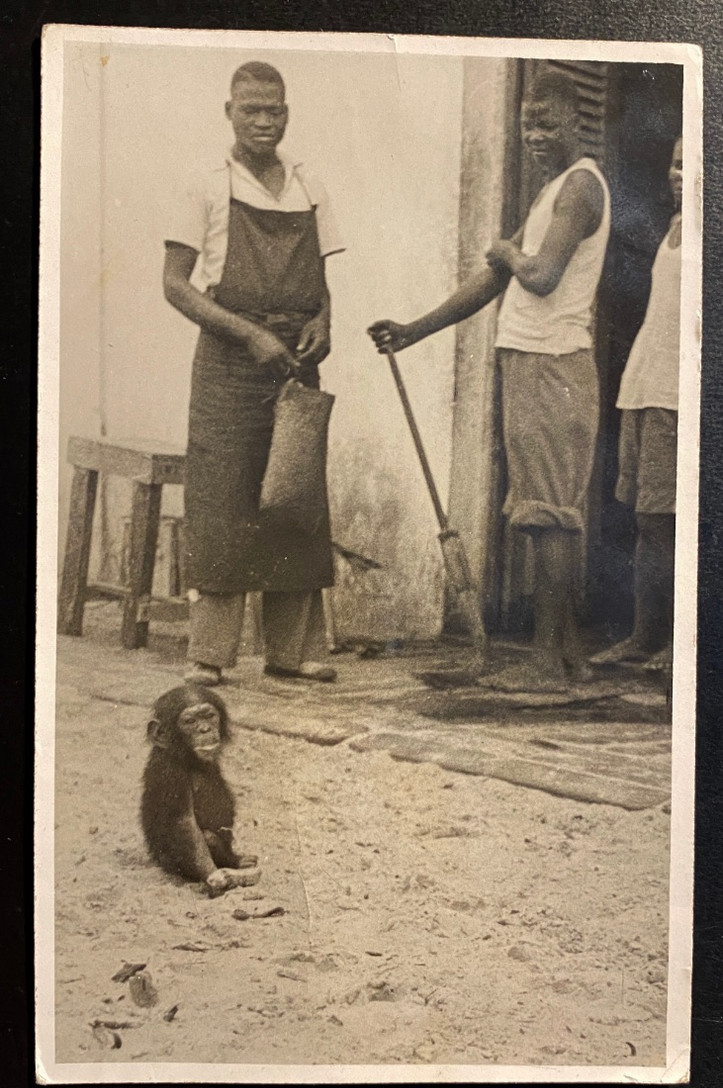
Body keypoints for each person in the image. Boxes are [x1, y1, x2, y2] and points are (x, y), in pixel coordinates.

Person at [369, 71, 610, 690]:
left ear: (577, 122)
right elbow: (494, 283)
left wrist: (507, 253)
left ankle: (546, 665)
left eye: (547, 123)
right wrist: (414, 329)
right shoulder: (552, 191)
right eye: (528, 122)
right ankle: (571, 657)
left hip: (553, 364)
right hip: (532, 361)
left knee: (550, 516)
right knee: (541, 515)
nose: (534, 134)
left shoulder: (580, 187)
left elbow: (540, 274)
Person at [163, 61, 344, 687]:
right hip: (229, 362)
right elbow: (175, 287)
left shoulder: (308, 179)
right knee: (224, 495)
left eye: (275, 110)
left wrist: (325, 319)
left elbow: (322, 280)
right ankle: (210, 654)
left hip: (296, 359)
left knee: (294, 497)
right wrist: (246, 334)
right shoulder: (205, 184)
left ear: (287, 111)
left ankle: (293, 651)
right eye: (251, 110)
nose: (264, 121)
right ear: (230, 112)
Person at [590, 136, 682, 676]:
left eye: (692, 166)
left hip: (676, 392)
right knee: (647, 521)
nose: (679, 175)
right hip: (645, 384)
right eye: (674, 163)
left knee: (673, 519)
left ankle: (680, 643)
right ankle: (645, 636)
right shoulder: (670, 229)